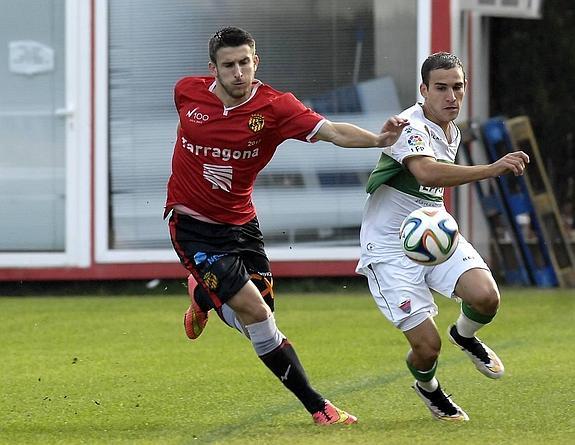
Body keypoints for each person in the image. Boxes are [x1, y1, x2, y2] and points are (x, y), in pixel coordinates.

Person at [164, 26, 408, 425]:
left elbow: (332, 131)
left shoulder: (276, 107)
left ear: (255, 62)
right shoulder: (186, 92)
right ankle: (319, 407)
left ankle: (203, 296)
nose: (239, 72)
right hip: (192, 226)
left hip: (242, 224)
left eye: (245, 62)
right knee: (257, 315)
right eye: (229, 65)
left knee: (262, 313)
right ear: (213, 69)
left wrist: (379, 140)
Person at [356, 52, 530, 422]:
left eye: (458, 87)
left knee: (486, 297)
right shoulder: (409, 125)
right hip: (389, 247)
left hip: (433, 231)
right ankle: (429, 389)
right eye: (441, 88)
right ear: (423, 90)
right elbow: (427, 174)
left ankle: (465, 335)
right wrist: (492, 168)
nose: (451, 96)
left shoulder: (452, 129)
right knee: (427, 348)